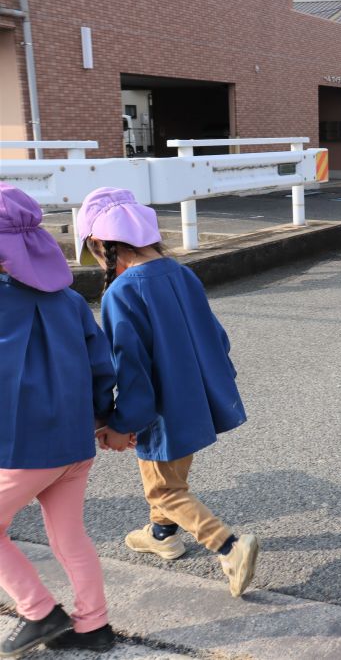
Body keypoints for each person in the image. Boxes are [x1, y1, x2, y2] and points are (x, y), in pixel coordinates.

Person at [76, 187, 260, 598]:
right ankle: (162, 536)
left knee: (164, 488)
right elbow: (217, 336)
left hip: (159, 409)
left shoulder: (122, 292)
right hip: (197, 398)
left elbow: (131, 368)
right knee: (170, 475)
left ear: (101, 243)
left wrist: (122, 422)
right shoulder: (181, 272)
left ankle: (228, 546)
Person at [0, 183, 119, 657]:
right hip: (75, 443)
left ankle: (40, 612)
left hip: (24, 448)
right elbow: (102, 366)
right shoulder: (70, 300)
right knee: (69, 536)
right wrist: (104, 419)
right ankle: (94, 625)